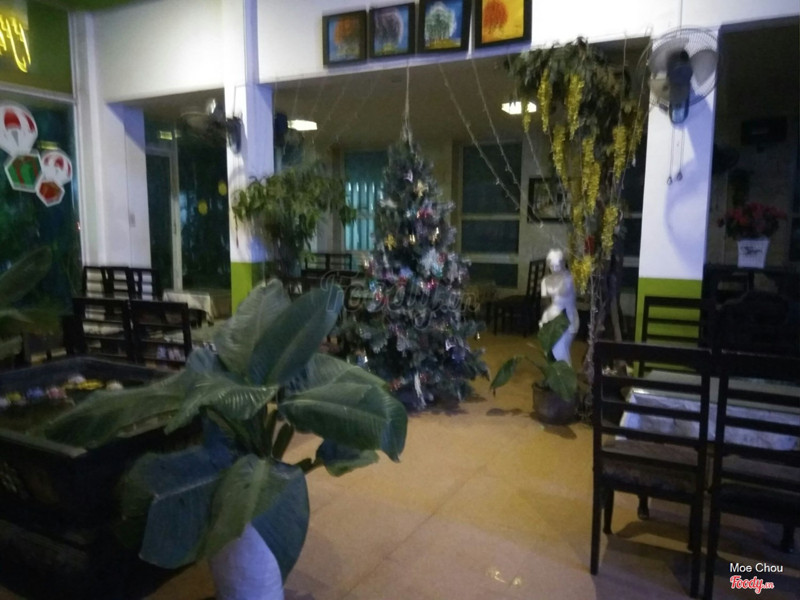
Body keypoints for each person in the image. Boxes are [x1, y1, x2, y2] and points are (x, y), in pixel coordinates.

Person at [539, 249, 580, 365]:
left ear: (562, 263)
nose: (554, 268)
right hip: (551, 318)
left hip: (568, 318)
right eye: (551, 266)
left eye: (557, 265)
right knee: (550, 350)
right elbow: (545, 302)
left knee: (560, 349)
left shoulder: (570, 278)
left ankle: (565, 374)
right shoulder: (546, 281)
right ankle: (554, 374)